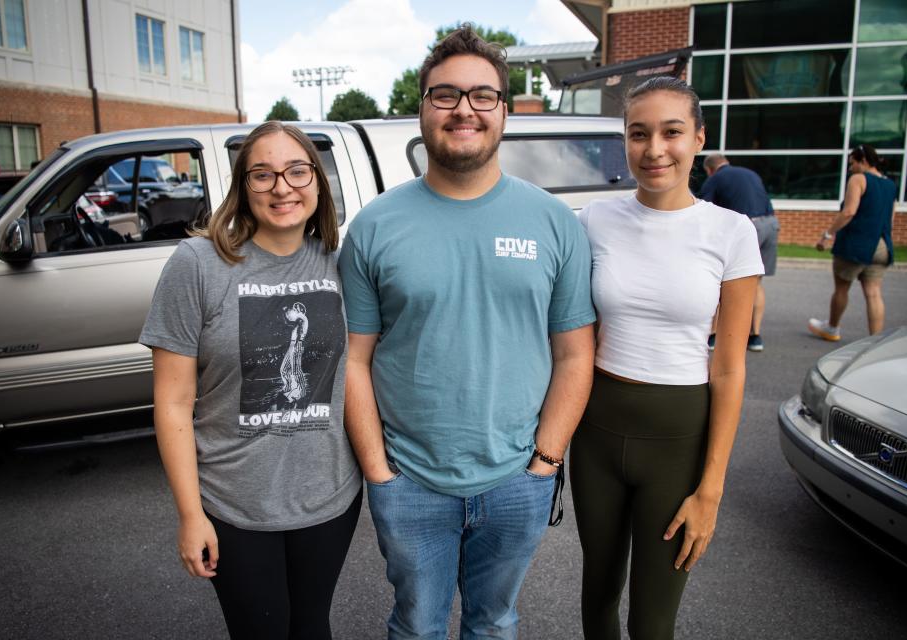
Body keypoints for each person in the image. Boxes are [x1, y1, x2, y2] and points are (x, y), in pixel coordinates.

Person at [338, 24, 596, 640]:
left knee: (495, 623)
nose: (464, 109)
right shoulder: (373, 228)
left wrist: (545, 462)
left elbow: (574, 353)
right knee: (417, 626)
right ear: (422, 108)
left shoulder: (555, 223)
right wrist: (379, 473)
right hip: (409, 481)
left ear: (504, 111)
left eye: (483, 95)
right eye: (445, 94)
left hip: (517, 480)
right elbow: (352, 360)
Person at [140, 122, 362, 640]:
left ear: (318, 181)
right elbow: (173, 402)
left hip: (328, 499)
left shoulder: (342, 262)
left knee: (311, 627)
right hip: (233, 506)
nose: (282, 187)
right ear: (242, 187)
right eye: (263, 175)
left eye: (296, 171)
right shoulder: (197, 264)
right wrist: (190, 514)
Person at [571, 77, 763, 640]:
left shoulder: (730, 232)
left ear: (698, 138)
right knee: (597, 596)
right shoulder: (593, 221)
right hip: (598, 430)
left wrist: (711, 490)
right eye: (639, 134)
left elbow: (728, 369)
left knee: (653, 622)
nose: (654, 149)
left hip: (679, 439)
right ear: (625, 143)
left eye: (671, 132)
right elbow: (574, 334)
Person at [808, 144, 897, 341]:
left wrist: (828, 234)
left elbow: (849, 211)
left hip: (856, 243)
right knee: (874, 293)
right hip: (881, 244)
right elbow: (890, 218)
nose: (850, 168)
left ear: (863, 161)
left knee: (841, 288)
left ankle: (832, 328)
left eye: (852, 163)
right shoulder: (890, 185)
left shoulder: (859, 179)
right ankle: (875, 340)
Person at [700, 153, 778, 352]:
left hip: (747, 227)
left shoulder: (715, 179)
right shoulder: (750, 173)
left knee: (719, 280)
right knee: (756, 282)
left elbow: (703, 211)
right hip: (770, 224)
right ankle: (755, 336)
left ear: (709, 169)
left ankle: (714, 334)